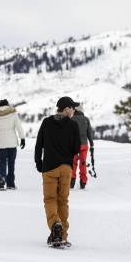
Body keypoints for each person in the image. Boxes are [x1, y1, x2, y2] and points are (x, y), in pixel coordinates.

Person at [35, 96, 81, 247]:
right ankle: (62, 235)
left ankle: (55, 224)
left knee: (50, 199)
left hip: (49, 168)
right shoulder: (73, 125)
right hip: (66, 168)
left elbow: (39, 144)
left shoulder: (47, 122)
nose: (74, 110)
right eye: (72, 108)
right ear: (66, 108)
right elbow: (76, 149)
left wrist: (38, 162)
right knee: (63, 200)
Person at [0, 99, 25, 190]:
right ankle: (10, 184)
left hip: (2, 143)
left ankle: (1, 183)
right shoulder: (13, 113)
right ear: (7, 104)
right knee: (11, 163)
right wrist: (22, 138)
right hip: (12, 142)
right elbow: (18, 126)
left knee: (2, 162)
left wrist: (0, 137)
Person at [70, 104, 94, 189]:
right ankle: (83, 182)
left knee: (73, 163)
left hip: (73, 145)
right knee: (83, 163)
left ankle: (71, 181)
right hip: (84, 145)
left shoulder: (71, 119)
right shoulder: (86, 119)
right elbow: (89, 134)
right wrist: (91, 144)